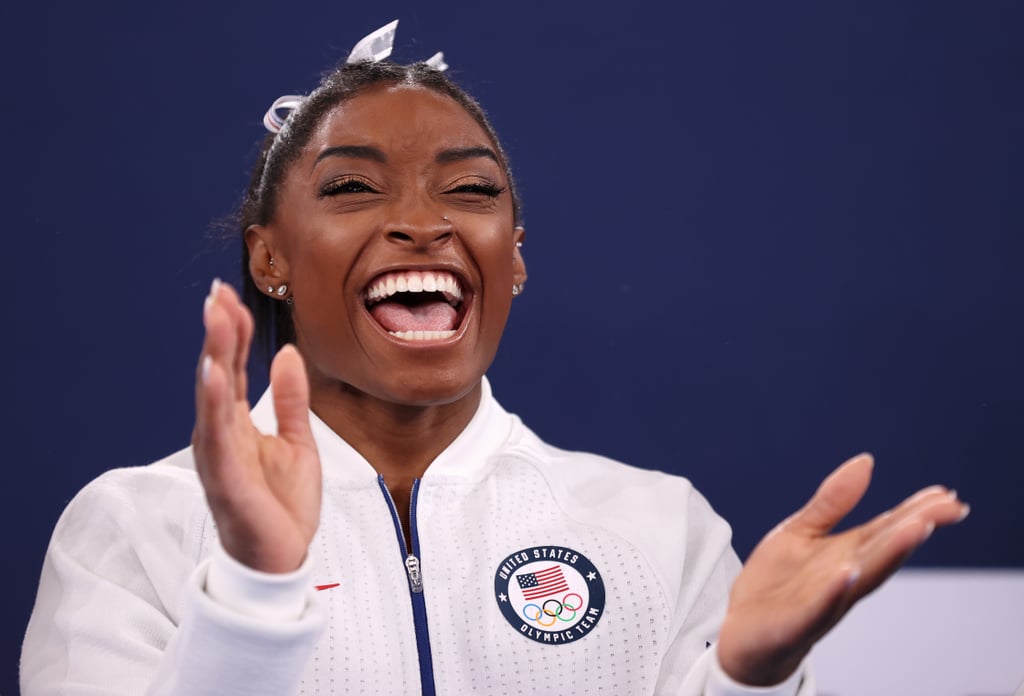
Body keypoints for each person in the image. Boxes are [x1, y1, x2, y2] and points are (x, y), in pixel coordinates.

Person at [20, 21, 968, 696]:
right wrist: (256, 592)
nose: (424, 223)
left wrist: (744, 685)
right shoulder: (131, 530)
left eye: (469, 191)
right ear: (270, 256)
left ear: (512, 257)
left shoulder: (660, 531)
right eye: (353, 187)